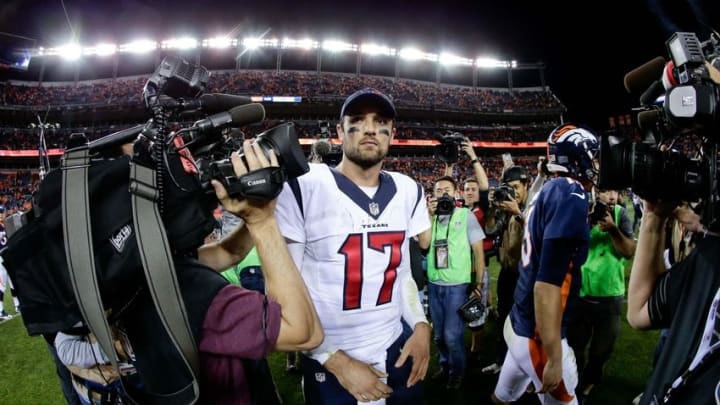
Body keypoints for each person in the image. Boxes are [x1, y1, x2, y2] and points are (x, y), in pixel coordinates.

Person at [274, 87, 431, 404]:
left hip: (393, 345)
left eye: (380, 121)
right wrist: (334, 359)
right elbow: (283, 293)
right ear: (340, 131)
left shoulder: (409, 190)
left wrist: (420, 324)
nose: (371, 128)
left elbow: (402, 275)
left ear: (392, 133)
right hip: (328, 355)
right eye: (358, 120)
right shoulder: (303, 187)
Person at [492, 123, 599, 405]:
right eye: (594, 155)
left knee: (503, 397)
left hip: (519, 321)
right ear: (579, 158)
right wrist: (554, 357)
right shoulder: (570, 193)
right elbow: (547, 285)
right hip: (537, 336)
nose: (597, 162)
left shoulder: (548, 190)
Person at [626, 197, 718, 405]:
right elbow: (642, 309)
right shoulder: (710, 254)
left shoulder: (710, 257)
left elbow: (639, 310)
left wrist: (654, 217)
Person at [566, 188, 635, 401]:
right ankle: (573, 383)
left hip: (610, 296)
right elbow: (569, 247)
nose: (612, 197)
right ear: (597, 193)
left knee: (601, 351)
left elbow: (629, 252)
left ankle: (590, 381)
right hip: (582, 293)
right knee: (575, 347)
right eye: (606, 192)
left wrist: (613, 230)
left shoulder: (621, 215)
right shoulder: (582, 212)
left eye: (615, 192)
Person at [425, 175, 486, 389]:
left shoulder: (465, 215)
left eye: (447, 191)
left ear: (455, 193)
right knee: (439, 336)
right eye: (438, 190)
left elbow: (478, 251)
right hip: (434, 284)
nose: (443, 195)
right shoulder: (428, 217)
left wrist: (478, 284)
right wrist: (428, 215)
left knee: (452, 335)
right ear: (432, 195)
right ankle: (445, 365)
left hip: (457, 286)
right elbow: (423, 245)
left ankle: (457, 372)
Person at [482, 165, 531, 376]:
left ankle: (526, 367)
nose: (513, 192)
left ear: (526, 185)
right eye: (509, 188)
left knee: (525, 323)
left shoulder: (534, 205)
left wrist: (518, 213)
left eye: (516, 187)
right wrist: (493, 207)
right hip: (507, 273)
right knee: (504, 319)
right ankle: (502, 360)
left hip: (527, 276)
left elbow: (536, 234)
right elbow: (490, 229)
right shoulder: (506, 208)